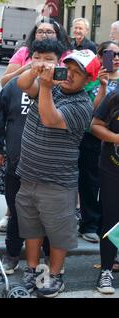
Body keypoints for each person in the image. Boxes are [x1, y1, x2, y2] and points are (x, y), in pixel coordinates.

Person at [16, 48, 100, 298]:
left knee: (58, 231)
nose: (70, 76)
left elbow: (50, 118)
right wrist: (35, 70)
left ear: (89, 80)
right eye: (68, 69)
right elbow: (22, 85)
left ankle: (55, 275)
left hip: (57, 181)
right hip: (28, 174)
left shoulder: (83, 105)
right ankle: (33, 271)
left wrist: (44, 85)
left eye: (78, 73)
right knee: (30, 228)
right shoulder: (52, 85)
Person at [0, 40, 59, 275]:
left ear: (58, 61)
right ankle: (11, 256)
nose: (43, 63)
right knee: (16, 210)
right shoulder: (16, 86)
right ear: (30, 58)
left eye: (49, 59)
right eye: (38, 57)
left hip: (50, 165)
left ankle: (47, 258)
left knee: (48, 215)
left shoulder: (64, 87)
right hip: (17, 161)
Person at [78, 41, 119, 243]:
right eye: (111, 54)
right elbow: (89, 113)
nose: (116, 58)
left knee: (111, 189)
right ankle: (90, 223)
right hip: (91, 138)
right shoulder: (91, 80)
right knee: (89, 182)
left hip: (114, 145)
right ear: (101, 57)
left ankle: (108, 226)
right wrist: (101, 86)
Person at [91, 91, 119, 294]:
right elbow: (95, 125)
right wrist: (116, 138)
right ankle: (106, 270)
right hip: (112, 170)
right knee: (112, 220)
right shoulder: (115, 97)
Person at [0, 17, 71, 87]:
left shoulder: (68, 55)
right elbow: (4, 83)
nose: (44, 35)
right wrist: (27, 68)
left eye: (49, 32)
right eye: (40, 32)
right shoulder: (23, 52)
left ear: (58, 35)